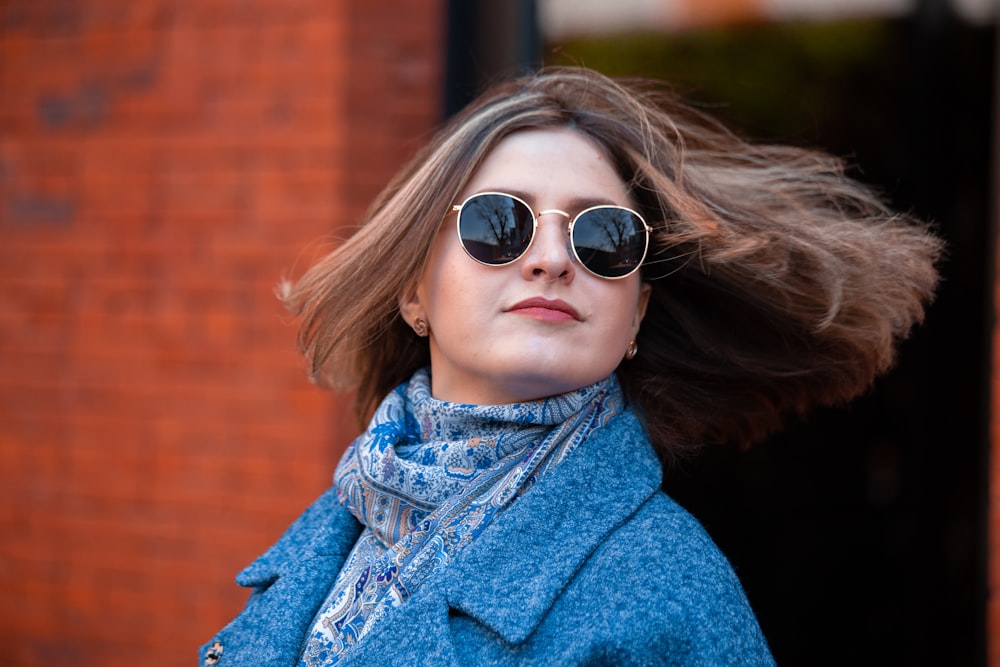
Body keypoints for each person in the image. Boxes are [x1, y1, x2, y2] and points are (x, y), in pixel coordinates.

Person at [200, 67, 941, 666]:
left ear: (635, 317)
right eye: (501, 223)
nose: (552, 259)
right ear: (414, 289)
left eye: (603, 237)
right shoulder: (330, 532)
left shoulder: (667, 589)